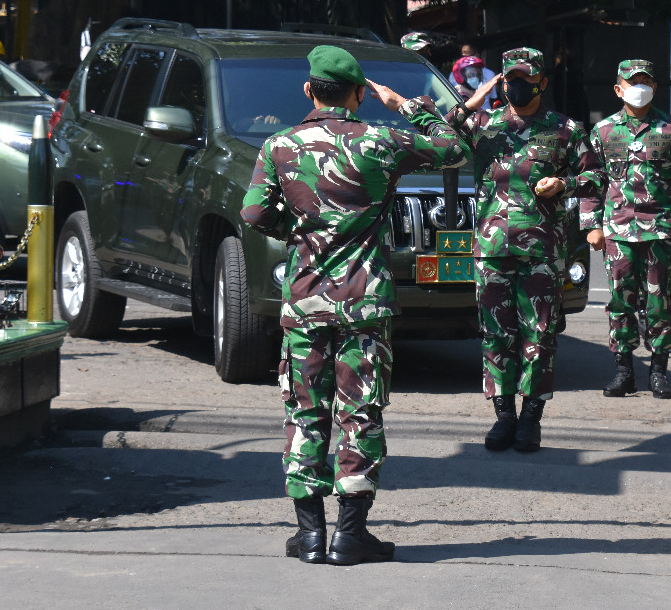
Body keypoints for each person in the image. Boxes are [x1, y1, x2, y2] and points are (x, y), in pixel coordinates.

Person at [240, 45, 467, 566]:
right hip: (365, 303)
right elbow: (453, 148)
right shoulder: (381, 141)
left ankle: (311, 536)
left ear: (308, 90)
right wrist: (409, 104)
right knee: (360, 413)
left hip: (305, 302)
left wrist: (298, 229)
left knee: (305, 413)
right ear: (360, 95)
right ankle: (350, 535)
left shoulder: (281, 145)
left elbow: (253, 213)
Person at [448, 48, 601, 453]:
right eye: (509, 78)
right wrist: (475, 99)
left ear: (541, 82)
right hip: (492, 247)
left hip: (542, 250)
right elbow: (446, 131)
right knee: (496, 335)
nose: (516, 85)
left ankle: (531, 418)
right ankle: (504, 417)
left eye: (524, 78)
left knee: (540, 334)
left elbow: (597, 175)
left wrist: (564, 184)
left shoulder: (564, 129)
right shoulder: (486, 124)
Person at [580, 59, 671, 399]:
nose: (640, 87)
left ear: (655, 87)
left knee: (659, 301)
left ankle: (659, 370)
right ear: (618, 88)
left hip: (660, 229)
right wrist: (591, 224)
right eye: (633, 82)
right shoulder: (603, 131)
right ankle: (623, 370)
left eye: (646, 81)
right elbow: (592, 181)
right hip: (618, 231)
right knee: (620, 301)